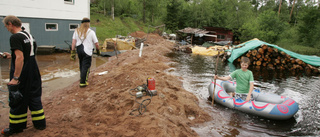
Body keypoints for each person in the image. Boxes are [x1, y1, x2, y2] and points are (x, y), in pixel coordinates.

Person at [1, 15, 46, 136]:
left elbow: (20, 57)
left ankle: (16, 127)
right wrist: (11, 56)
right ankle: (40, 124)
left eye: (6, 26)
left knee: (17, 98)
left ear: (10, 24)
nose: (6, 28)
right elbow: (28, 53)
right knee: (34, 96)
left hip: (23, 72)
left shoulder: (15, 37)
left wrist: (16, 78)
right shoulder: (29, 36)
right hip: (33, 69)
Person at [71, 17, 100, 87]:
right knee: (86, 66)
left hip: (79, 50)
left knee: (81, 65)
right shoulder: (91, 32)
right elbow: (96, 43)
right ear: (88, 23)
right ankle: (83, 82)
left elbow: (73, 42)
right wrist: (98, 50)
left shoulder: (77, 31)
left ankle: (82, 78)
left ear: (82, 24)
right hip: (87, 51)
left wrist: (72, 52)